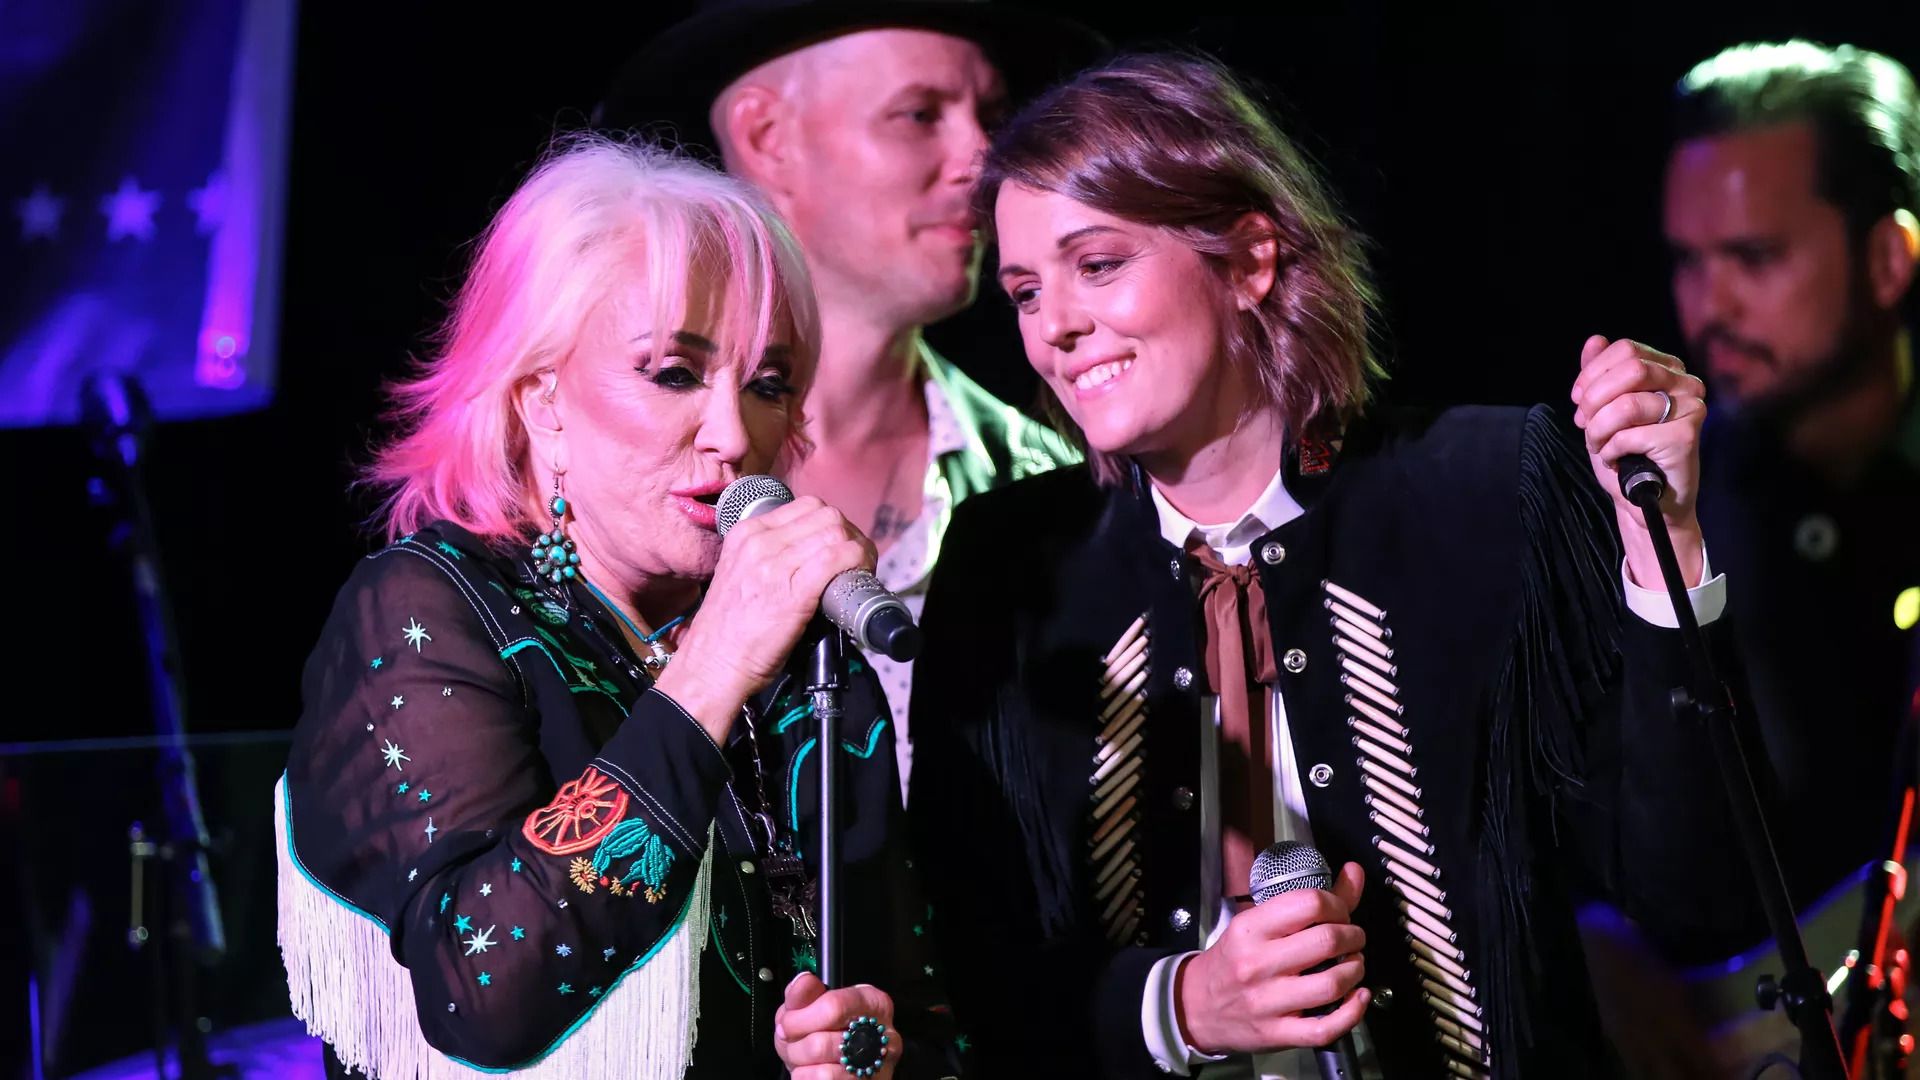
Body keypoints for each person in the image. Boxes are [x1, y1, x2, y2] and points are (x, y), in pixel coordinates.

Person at [908, 52, 1761, 1079]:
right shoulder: (1008, 571)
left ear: (1249, 260)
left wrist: (1666, 548)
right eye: (1023, 292)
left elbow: (1700, 901)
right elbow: (973, 972)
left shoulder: (1487, 489)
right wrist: (1182, 1007)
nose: (1056, 326)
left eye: (1097, 265)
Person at [273, 135, 952, 1079]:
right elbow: (483, 992)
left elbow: (927, 1009)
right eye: (673, 373)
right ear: (541, 400)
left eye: (769, 385)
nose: (734, 435)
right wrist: (712, 670)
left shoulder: (802, 655)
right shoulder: (429, 609)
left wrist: (870, 1051)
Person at [593, 0, 1102, 794]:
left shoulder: (1048, 481)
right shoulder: (607, 487)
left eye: (992, 116)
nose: (983, 159)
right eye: (920, 114)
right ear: (769, 137)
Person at [1577, 39, 1920, 1076]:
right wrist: (1595, 935)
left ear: (1888, 259)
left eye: (1755, 258)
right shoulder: (1648, 505)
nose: (1707, 307)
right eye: (1689, 261)